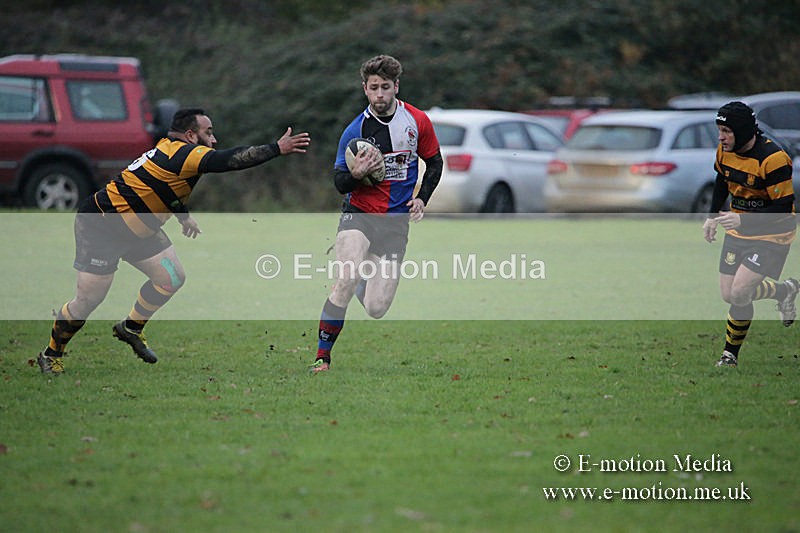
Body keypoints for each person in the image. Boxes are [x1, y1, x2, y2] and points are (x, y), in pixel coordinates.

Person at [37, 108, 311, 374]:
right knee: (88, 299)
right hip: (102, 225)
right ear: (191, 135)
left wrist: (183, 216)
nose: (214, 139)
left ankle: (131, 328)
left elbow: (165, 186)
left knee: (171, 277)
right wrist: (276, 148)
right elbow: (229, 160)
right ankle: (51, 354)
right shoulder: (185, 153)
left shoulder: (169, 149)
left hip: (139, 231)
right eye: (208, 133)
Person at [310, 54, 443, 373]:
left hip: (395, 224)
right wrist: (355, 174)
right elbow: (339, 183)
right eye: (373, 88)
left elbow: (435, 162)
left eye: (385, 87)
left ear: (396, 86)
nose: (379, 94)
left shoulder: (417, 121)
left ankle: (361, 283)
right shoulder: (355, 131)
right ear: (365, 89)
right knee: (345, 277)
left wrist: (422, 198)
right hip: (359, 215)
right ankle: (322, 357)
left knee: (376, 307)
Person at [702, 101, 798, 367]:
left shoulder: (773, 159)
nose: (721, 137)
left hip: (772, 234)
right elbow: (722, 180)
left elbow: (783, 207)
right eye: (719, 130)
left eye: (727, 131)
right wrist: (712, 216)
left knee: (741, 291)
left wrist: (743, 220)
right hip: (739, 231)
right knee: (729, 294)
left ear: (744, 131)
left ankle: (729, 356)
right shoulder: (725, 151)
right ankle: (785, 291)